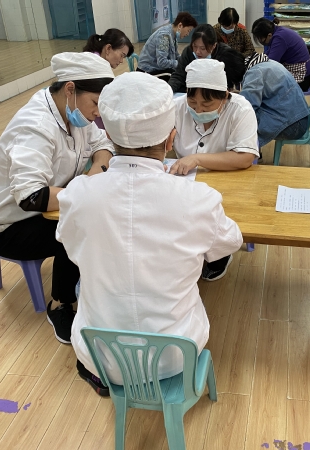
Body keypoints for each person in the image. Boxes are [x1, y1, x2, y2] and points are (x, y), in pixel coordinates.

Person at [57, 72, 243, 395]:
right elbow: (230, 241)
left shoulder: (78, 194)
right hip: (175, 356)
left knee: (89, 282)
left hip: (101, 356)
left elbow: (70, 244)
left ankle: (105, 378)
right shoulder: (198, 199)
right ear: (171, 140)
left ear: (110, 137)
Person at [0, 53, 115, 345]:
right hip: (9, 226)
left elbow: (103, 144)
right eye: (95, 103)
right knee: (79, 228)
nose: (97, 114)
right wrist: (86, 192)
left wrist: (95, 173)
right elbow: (31, 196)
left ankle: (91, 284)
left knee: (89, 217)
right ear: (70, 89)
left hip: (47, 206)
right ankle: (61, 305)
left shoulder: (75, 111)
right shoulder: (35, 125)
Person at [172, 59, 258, 280]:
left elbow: (245, 157)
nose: (198, 109)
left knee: (217, 216)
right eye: (193, 102)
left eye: (207, 104)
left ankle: (220, 254)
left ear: (225, 96)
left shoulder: (240, 110)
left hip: (228, 181)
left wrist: (197, 158)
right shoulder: (178, 107)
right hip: (187, 181)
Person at [216, 49, 309, 149]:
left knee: (242, 125)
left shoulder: (255, 73)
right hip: (299, 116)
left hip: (295, 125)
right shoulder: (260, 63)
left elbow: (246, 107)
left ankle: (246, 153)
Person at [251, 18, 310, 91]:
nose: (260, 41)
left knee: (266, 86)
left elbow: (270, 63)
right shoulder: (278, 32)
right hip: (299, 71)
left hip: (301, 78)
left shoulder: (279, 38)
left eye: (260, 39)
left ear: (269, 35)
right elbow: (268, 54)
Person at [168, 24, 230, 93]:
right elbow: (179, 76)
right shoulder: (188, 52)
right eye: (195, 46)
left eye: (202, 48)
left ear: (214, 46)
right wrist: (167, 91)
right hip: (191, 92)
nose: (197, 52)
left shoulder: (225, 54)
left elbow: (228, 83)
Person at [137, 11, 198, 81]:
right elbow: (162, 62)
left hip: (156, 68)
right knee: (174, 75)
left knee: (181, 72)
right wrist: (180, 63)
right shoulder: (164, 36)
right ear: (180, 26)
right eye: (188, 30)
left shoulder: (173, 35)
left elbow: (176, 56)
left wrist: (185, 60)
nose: (188, 34)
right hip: (146, 71)